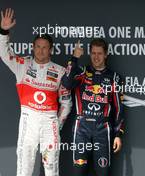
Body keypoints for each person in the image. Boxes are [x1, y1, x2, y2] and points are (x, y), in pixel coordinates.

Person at [0, 8, 72, 176]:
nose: (41, 51)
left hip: (50, 122)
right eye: (38, 47)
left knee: (51, 169)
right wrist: (4, 31)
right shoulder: (22, 65)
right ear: (33, 48)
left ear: (51, 50)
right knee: (24, 169)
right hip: (28, 120)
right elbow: (4, 53)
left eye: (45, 47)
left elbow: (67, 102)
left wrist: (57, 124)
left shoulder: (61, 72)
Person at [62, 38, 125, 176]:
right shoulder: (82, 72)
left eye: (100, 53)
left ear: (106, 54)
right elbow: (66, 83)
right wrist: (74, 58)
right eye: (93, 53)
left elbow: (119, 108)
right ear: (89, 54)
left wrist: (118, 134)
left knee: (103, 172)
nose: (96, 57)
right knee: (78, 172)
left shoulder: (114, 78)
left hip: (103, 128)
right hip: (81, 129)